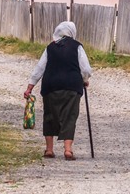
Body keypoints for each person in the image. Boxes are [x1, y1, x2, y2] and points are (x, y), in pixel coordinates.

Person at [23, 21, 92, 161]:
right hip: (72, 87)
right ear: (72, 32)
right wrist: (84, 80)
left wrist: (30, 86)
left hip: (50, 86)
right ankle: (68, 151)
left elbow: (39, 68)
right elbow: (85, 69)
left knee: (50, 115)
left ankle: (49, 149)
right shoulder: (77, 47)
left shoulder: (50, 48)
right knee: (70, 117)